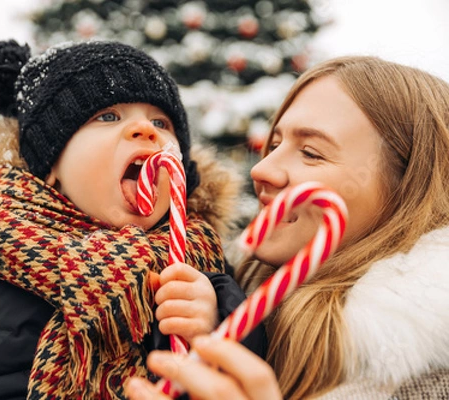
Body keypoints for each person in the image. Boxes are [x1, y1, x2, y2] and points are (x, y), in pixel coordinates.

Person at [0, 40, 265, 399]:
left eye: (161, 122)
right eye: (108, 117)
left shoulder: (199, 265)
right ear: (52, 166)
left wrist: (218, 322)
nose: (145, 130)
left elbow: (255, 373)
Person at [125, 55, 449, 400]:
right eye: (276, 144)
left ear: (409, 188)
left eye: (311, 152)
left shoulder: (427, 379)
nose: (261, 169)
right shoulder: (218, 290)